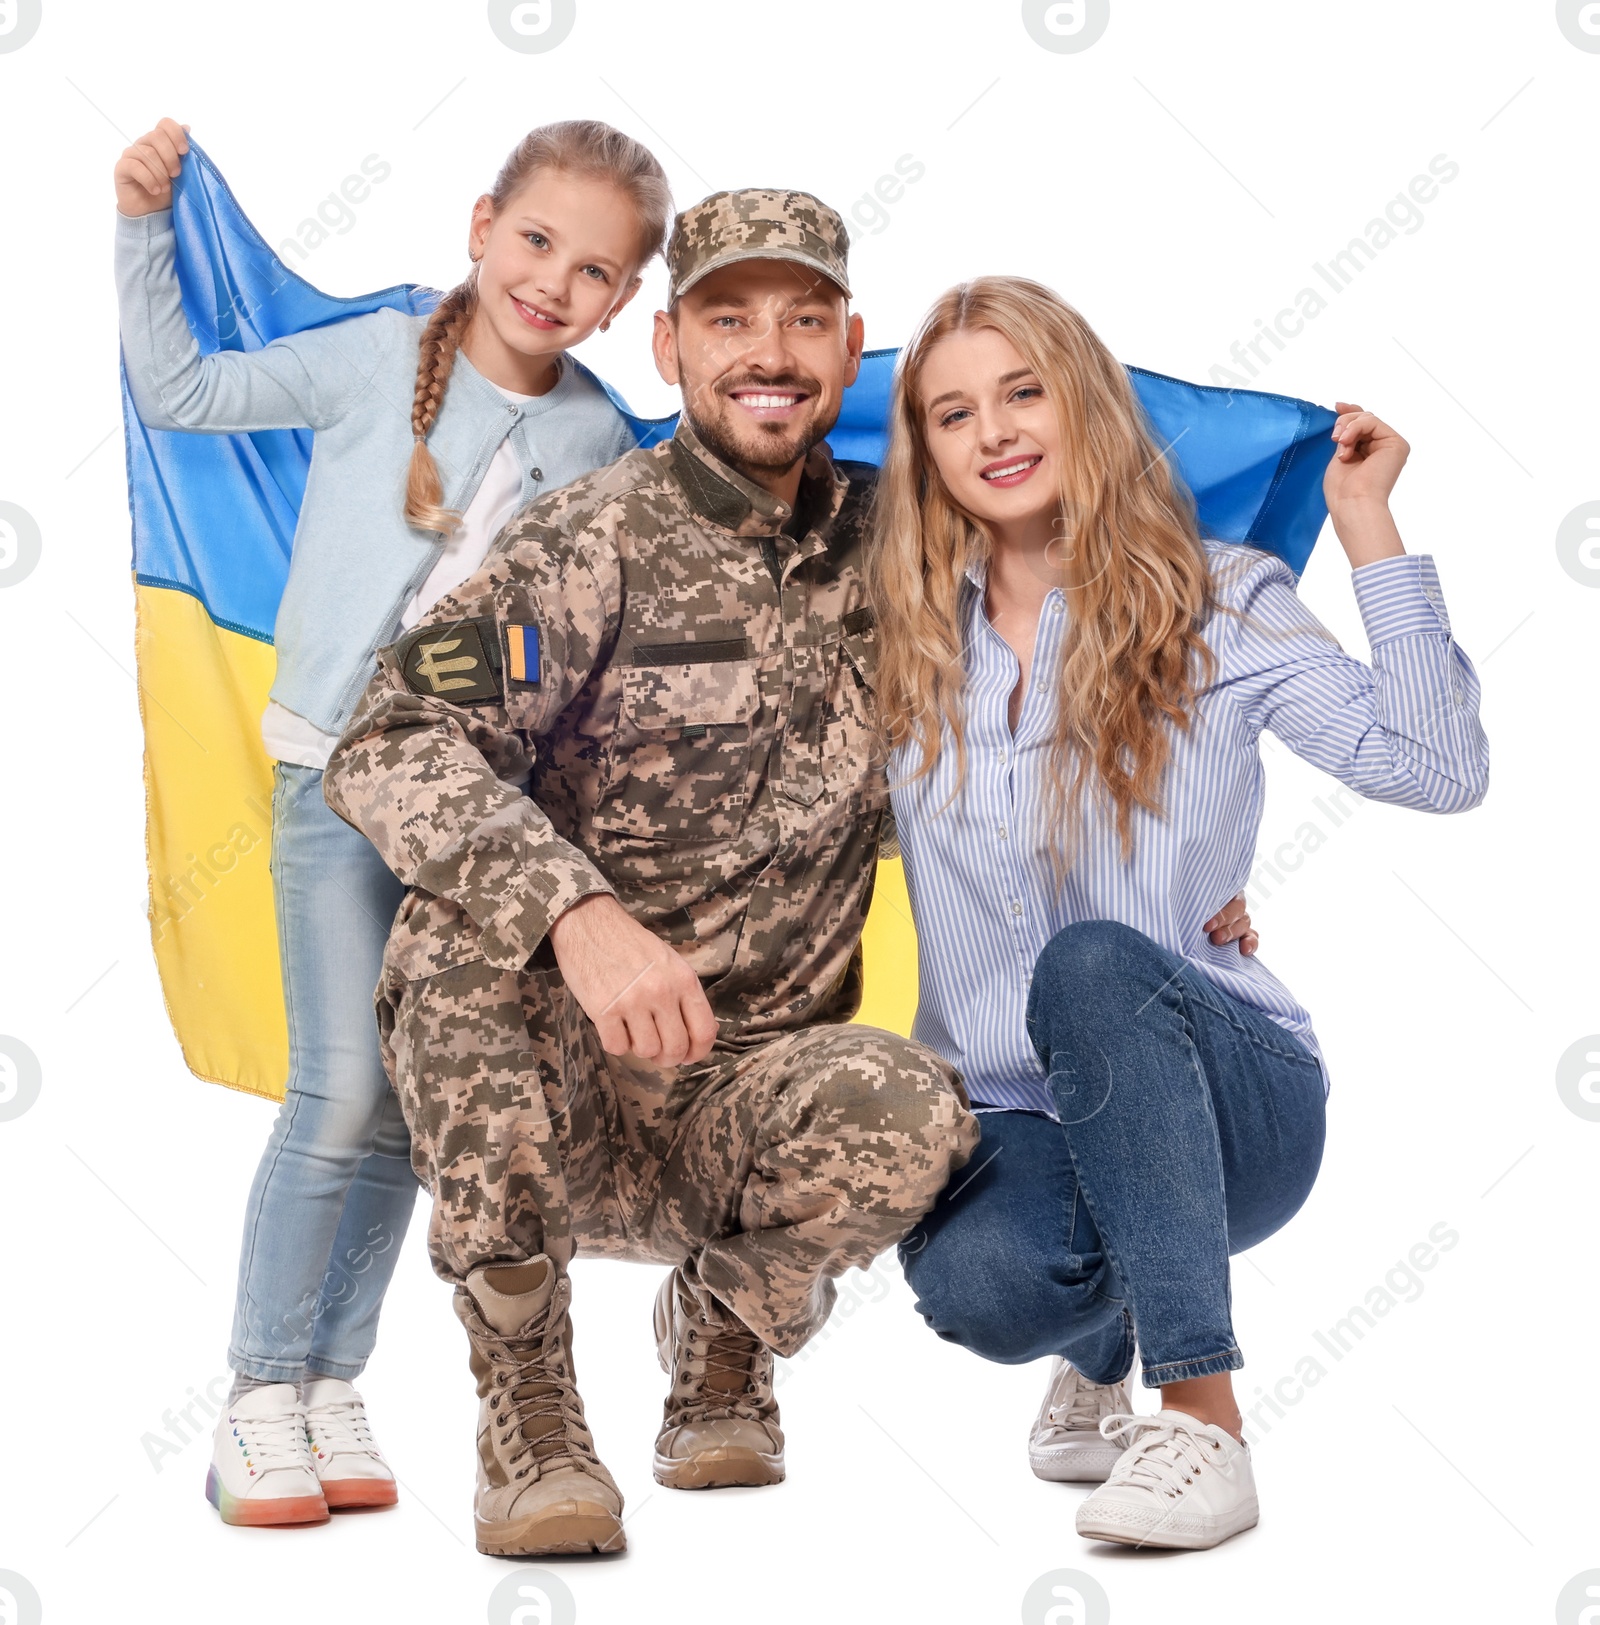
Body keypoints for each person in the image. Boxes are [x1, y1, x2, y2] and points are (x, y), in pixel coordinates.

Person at [322, 189, 980, 1559]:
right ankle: (530, 1405)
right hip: (549, 1089)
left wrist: (1174, 884)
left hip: (746, 1104)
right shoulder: (584, 546)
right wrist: (577, 912)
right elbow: (387, 737)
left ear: (852, 346)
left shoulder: (909, 552)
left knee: (919, 1107)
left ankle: (726, 1329)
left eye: (807, 319)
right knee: (451, 943)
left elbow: (1057, 687)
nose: (772, 352)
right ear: (670, 344)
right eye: (731, 317)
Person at [869, 277, 1489, 1550]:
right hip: (1017, 1102)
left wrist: (1369, 527)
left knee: (1094, 960)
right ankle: (1102, 1339)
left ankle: (1200, 1419)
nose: (992, 431)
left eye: (1023, 390)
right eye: (950, 412)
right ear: (924, 452)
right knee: (983, 1287)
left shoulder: (1223, 596)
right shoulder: (900, 641)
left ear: (1085, 403)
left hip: (1231, 1102)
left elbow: (1436, 770)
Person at [113, 116, 670, 1527]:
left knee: (411, 1119)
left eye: (594, 270)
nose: (554, 282)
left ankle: (326, 1382)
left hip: (474, 819)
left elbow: (575, 638)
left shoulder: (599, 434)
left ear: (625, 299)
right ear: (482, 224)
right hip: (329, 783)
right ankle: (256, 1392)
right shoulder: (376, 357)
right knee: (341, 1089)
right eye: (537, 241)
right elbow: (180, 390)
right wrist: (139, 230)